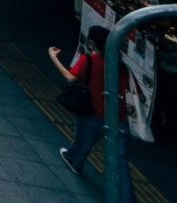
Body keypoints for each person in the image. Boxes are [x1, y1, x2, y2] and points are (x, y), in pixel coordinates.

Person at [49, 32, 136, 199]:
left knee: (83, 141)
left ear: (94, 44)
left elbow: (70, 77)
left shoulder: (91, 60)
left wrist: (53, 57)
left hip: (93, 113)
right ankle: (127, 199)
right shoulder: (122, 66)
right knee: (121, 162)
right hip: (119, 118)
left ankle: (75, 160)